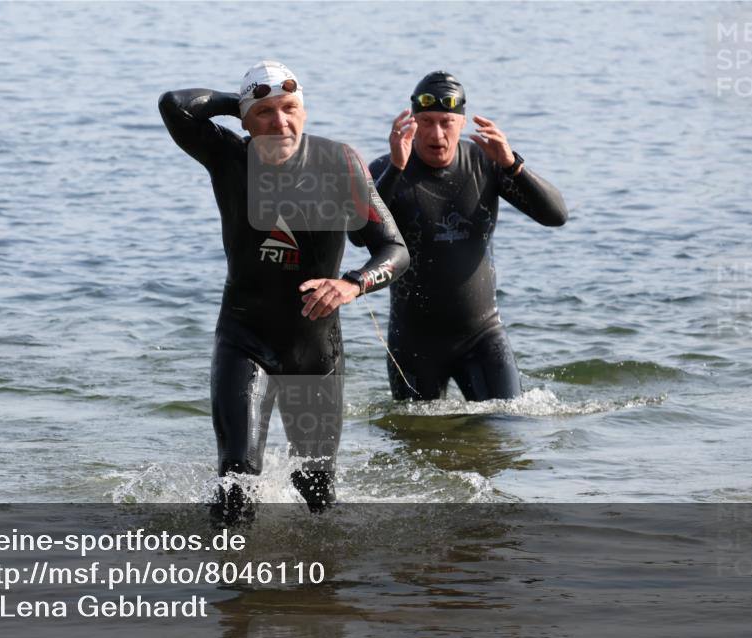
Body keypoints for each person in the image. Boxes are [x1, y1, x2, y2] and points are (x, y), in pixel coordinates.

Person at [158, 61, 408, 520]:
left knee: (318, 492)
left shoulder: (339, 164)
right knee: (236, 481)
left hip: (315, 350)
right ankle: (234, 586)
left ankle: (319, 587)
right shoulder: (229, 156)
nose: (280, 123)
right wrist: (244, 100)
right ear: (245, 121)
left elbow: (394, 250)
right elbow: (174, 105)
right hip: (244, 340)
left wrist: (352, 284)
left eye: (290, 108)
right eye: (266, 114)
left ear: (305, 112)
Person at [358, 71, 568, 402]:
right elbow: (359, 236)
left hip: (482, 336)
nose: (436, 133)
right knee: (417, 444)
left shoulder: (486, 163)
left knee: (508, 430)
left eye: (446, 121)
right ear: (411, 123)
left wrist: (513, 165)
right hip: (414, 343)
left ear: (462, 122)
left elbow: (556, 216)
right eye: (426, 121)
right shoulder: (388, 169)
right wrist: (396, 170)